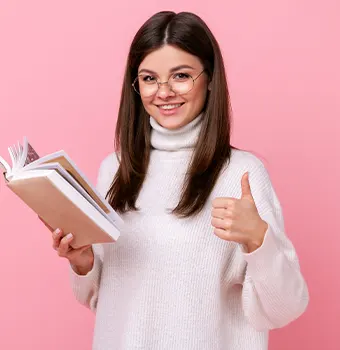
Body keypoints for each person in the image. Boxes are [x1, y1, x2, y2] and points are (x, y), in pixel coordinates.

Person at [47, 11, 309, 350]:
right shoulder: (115, 169)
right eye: (149, 78)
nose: (164, 92)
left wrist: (259, 240)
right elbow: (101, 300)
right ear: (135, 85)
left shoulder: (241, 173)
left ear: (210, 77)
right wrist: (82, 261)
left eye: (181, 75)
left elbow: (285, 308)